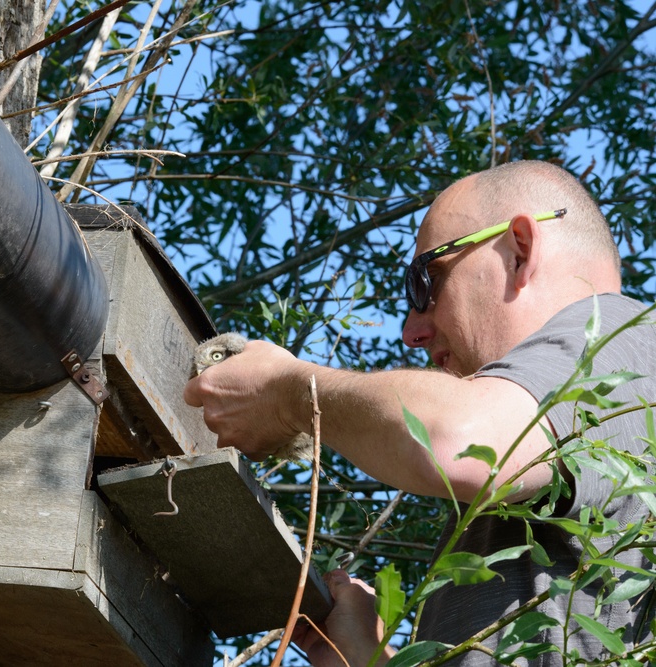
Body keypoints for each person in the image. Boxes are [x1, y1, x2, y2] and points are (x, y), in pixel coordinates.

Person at [183, 160, 656, 665]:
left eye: (425, 283)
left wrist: (290, 392)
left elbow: (458, 442)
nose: (411, 331)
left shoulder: (621, 341)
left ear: (520, 249)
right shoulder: (556, 440)